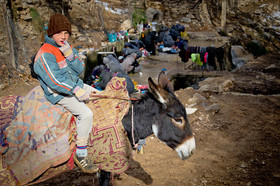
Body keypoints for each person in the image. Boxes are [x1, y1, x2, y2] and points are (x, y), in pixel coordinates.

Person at [33, 13, 98, 173]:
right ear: (51, 33)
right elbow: (54, 81)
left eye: (66, 33)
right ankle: (81, 154)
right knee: (86, 114)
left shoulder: (66, 47)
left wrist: (70, 54)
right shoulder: (45, 54)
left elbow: (80, 69)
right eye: (59, 32)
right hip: (59, 93)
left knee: (99, 95)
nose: (63, 36)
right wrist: (76, 90)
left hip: (76, 84)